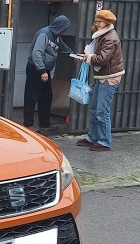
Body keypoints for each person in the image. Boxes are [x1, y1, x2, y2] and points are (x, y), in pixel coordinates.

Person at [76, 9, 125, 151]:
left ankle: (104, 141)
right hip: (104, 76)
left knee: (102, 111)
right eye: (96, 21)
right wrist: (87, 56)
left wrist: (88, 57)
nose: (97, 24)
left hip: (109, 78)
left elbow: (102, 59)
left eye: (99, 22)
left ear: (107, 23)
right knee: (95, 109)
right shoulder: (103, 35)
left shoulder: (110, 38)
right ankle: (93, 137)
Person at [23, 14, 73, 131]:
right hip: (36, 69)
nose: (65, 31)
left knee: (46, 96)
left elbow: (63, 48)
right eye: (65, 29)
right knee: (31, 96)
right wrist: (42, 70)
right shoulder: (44, 34)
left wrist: (74, 55)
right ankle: (28, 123)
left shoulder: (56, 36)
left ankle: (44, 122)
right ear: (60, 27)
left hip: (45, 70)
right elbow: (36, 53)